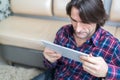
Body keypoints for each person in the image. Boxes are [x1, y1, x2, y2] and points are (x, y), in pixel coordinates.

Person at [42, 0, 120, 80]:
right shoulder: (63, 32)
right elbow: (50, 66)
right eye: (74, 20)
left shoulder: (112, 45)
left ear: (98, 19)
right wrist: (49, 60)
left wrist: (107, 71)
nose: (78, 29)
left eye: (85, 22)